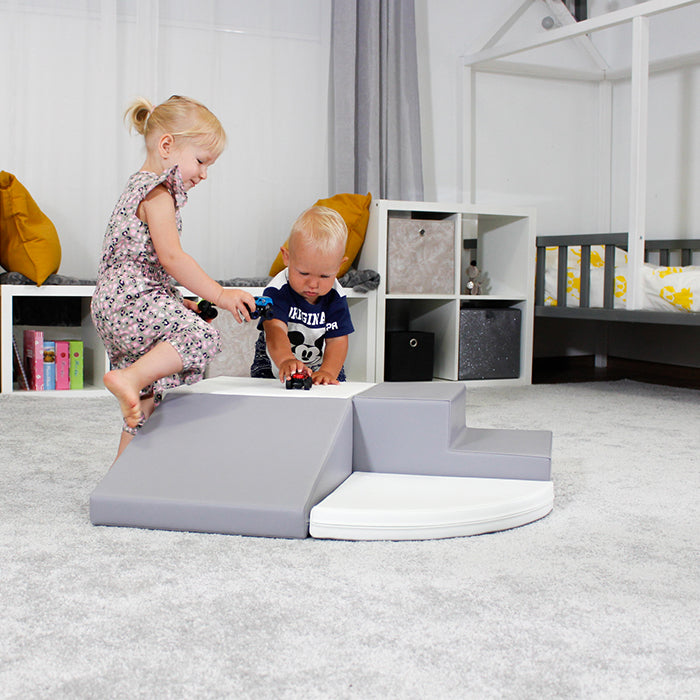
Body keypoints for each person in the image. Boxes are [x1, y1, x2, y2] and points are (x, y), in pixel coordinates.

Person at [91, 95, 255, 459]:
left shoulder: (135, 187)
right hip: (130, 301)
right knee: (202, 337)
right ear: (167, 145)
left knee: (144, 403)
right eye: (200, 161)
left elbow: (136, 262)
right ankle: (130, 378)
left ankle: (121, 483)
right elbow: (172, 257)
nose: (203, 173)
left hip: (113, 304)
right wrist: (221, 295)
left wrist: (176, 301)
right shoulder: (159, 191)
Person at [250, 206, 354, 385]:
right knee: (264, 387)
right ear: (287, 257)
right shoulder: (277, 291)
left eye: (324, 276)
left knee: (334, 382)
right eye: (304, 273)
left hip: (320, 360)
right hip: (275, 356)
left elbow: (337, 340)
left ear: (339, 266)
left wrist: (328, 371)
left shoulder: (335, 296)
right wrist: (285, 360)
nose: (313, 284)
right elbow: (275, 330)